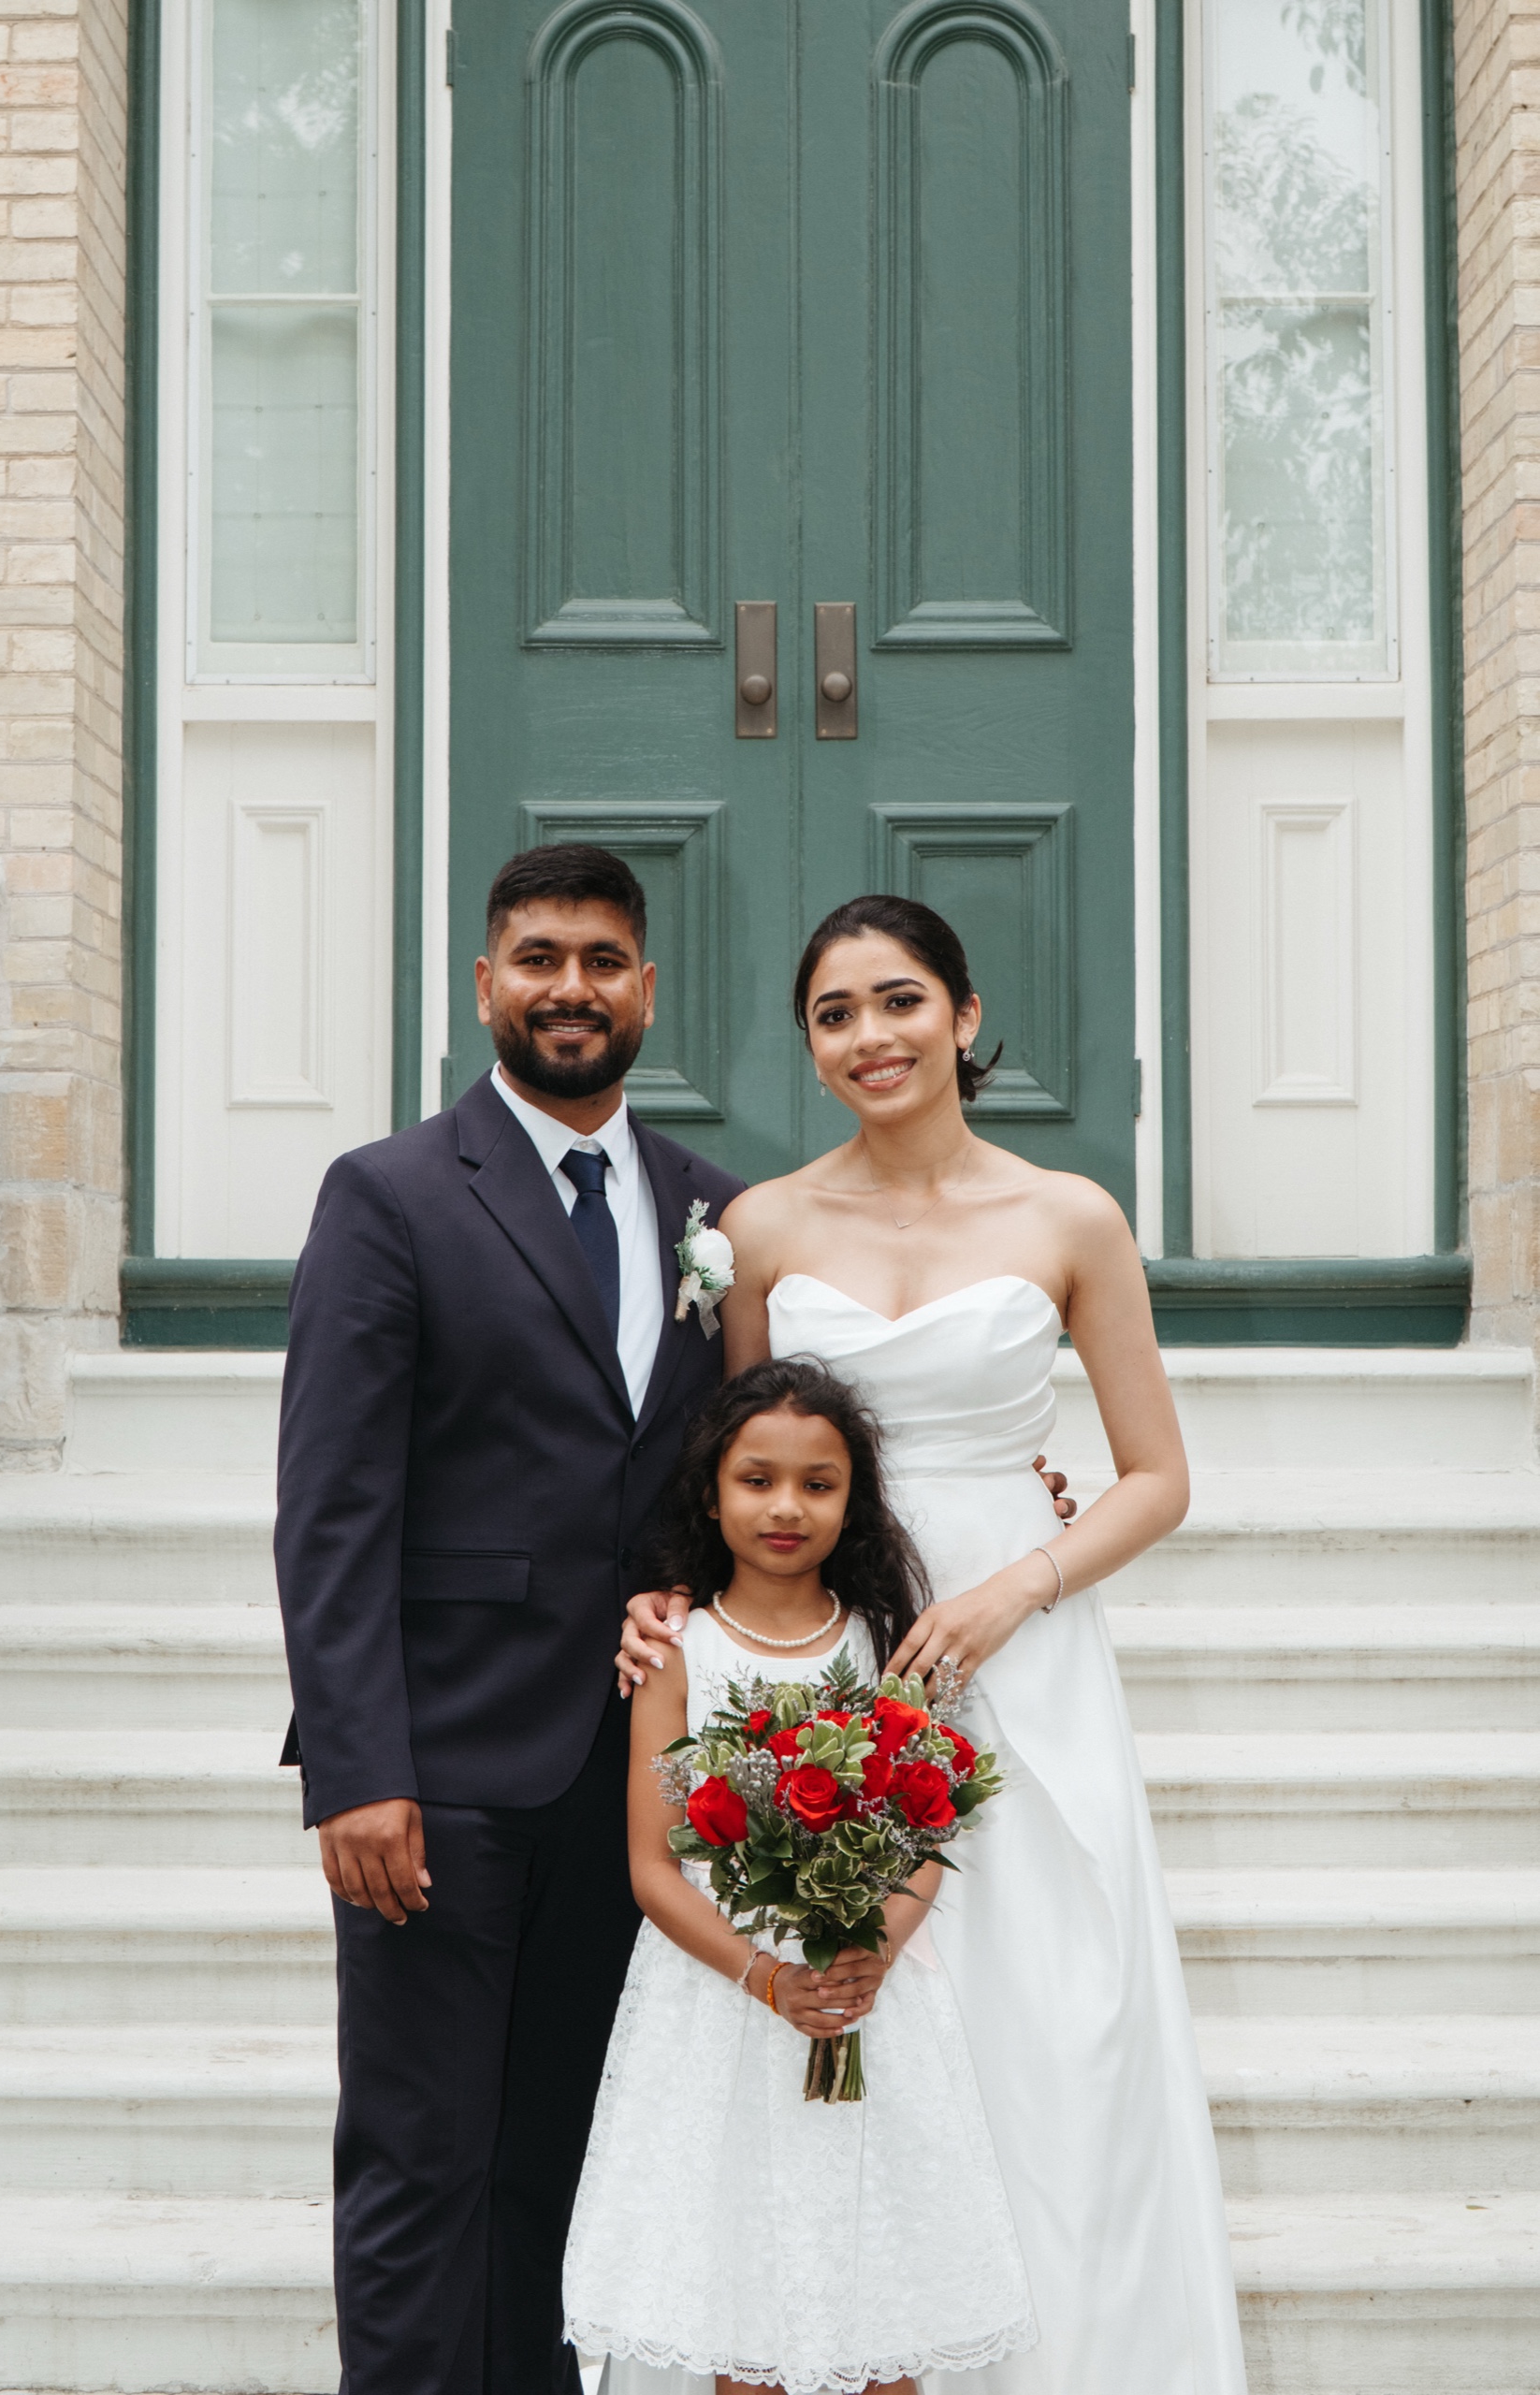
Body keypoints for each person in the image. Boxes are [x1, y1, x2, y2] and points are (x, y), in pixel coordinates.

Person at [620, 894, 1249, 2395]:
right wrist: (669, 1603)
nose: (869, 1037)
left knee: (1049, 2013)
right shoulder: (758, 1230)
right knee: (858, 2011)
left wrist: (1022, 1582)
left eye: (898, 1000)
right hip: (828, 1651)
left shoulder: (1069, 1218)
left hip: (1016, 1653)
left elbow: (1156, 1477)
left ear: (962, 1017)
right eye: (833, 1014)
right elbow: (739, 1464)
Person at [274, 845, 748, 2395]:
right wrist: (355, 1768)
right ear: (485, 986)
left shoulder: (710, 1209)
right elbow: (332, 1504)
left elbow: (734, 1463)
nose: (570, 988)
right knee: (421, 2159)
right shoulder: (389, 1194)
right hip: (441, 1767)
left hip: (630, 1776)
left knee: (560, 2156)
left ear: (646, 990)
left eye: (602, 961)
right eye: (539, 959)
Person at [565, 1357, 1037, 2395]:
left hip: (868, 2000)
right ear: (710, 1493)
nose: (786, 1506)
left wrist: (873, 1947)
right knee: (745, 2303)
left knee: (884, 2299)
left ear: (852, 1500)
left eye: (818, 1484)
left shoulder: (885, 1645)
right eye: (757, 1479)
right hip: (722, 2003)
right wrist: (769, 1977)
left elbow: (923, 1823)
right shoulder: (677, 1650)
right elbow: (652, 1866)